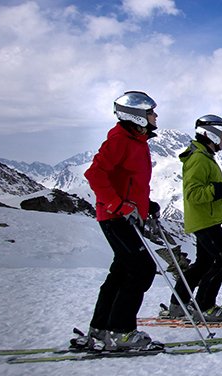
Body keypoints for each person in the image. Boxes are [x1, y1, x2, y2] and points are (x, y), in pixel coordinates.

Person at [80, 91, 161, 351]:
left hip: (123, 215)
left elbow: (129, 182)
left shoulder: (136, 141)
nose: (155, 116)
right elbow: (94, 174)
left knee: (122, 272)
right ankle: (121, 333)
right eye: (151, 112)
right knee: (141, 270)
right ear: (136, 115)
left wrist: (147, 205)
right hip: (116, 217)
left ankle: (101, 328)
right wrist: (120, 205)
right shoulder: (120, 141)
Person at [164, 114, 222, 322]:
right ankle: (204, 307)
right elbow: (193, 194)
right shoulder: (198, 159)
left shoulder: (203, 156)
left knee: (203, 263)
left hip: (205, 218)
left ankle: (178, 304)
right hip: (204, 220)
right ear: (212, 135)